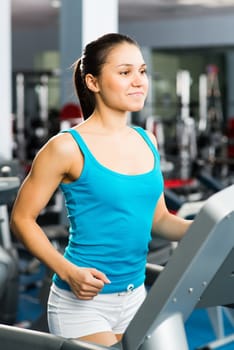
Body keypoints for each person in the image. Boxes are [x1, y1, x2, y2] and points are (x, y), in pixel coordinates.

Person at [10, 33, 192, 347]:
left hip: (135, 297)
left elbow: (159, 219)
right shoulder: (66, 148)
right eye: (125, 72)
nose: (138, 81)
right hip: (82, 305)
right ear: (93, 82)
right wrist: (67, 271)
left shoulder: (147, 140)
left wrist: (210, 230)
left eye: (142, 71)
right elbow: (22, 219)